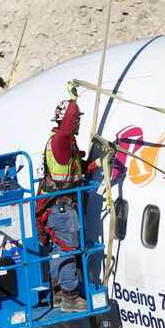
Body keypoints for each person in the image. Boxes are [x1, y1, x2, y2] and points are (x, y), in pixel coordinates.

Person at [37, 83, 97, 312]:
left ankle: (60, 294)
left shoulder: (66, 146)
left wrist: (98, 164)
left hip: (57, 207)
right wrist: (73, 100)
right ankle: (70, 297)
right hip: (60, 208)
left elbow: (78, 168)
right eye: (76, 120)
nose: (78, 123)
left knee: (59, 251)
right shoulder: (60, 141)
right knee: (67, 250)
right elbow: (67, 127)